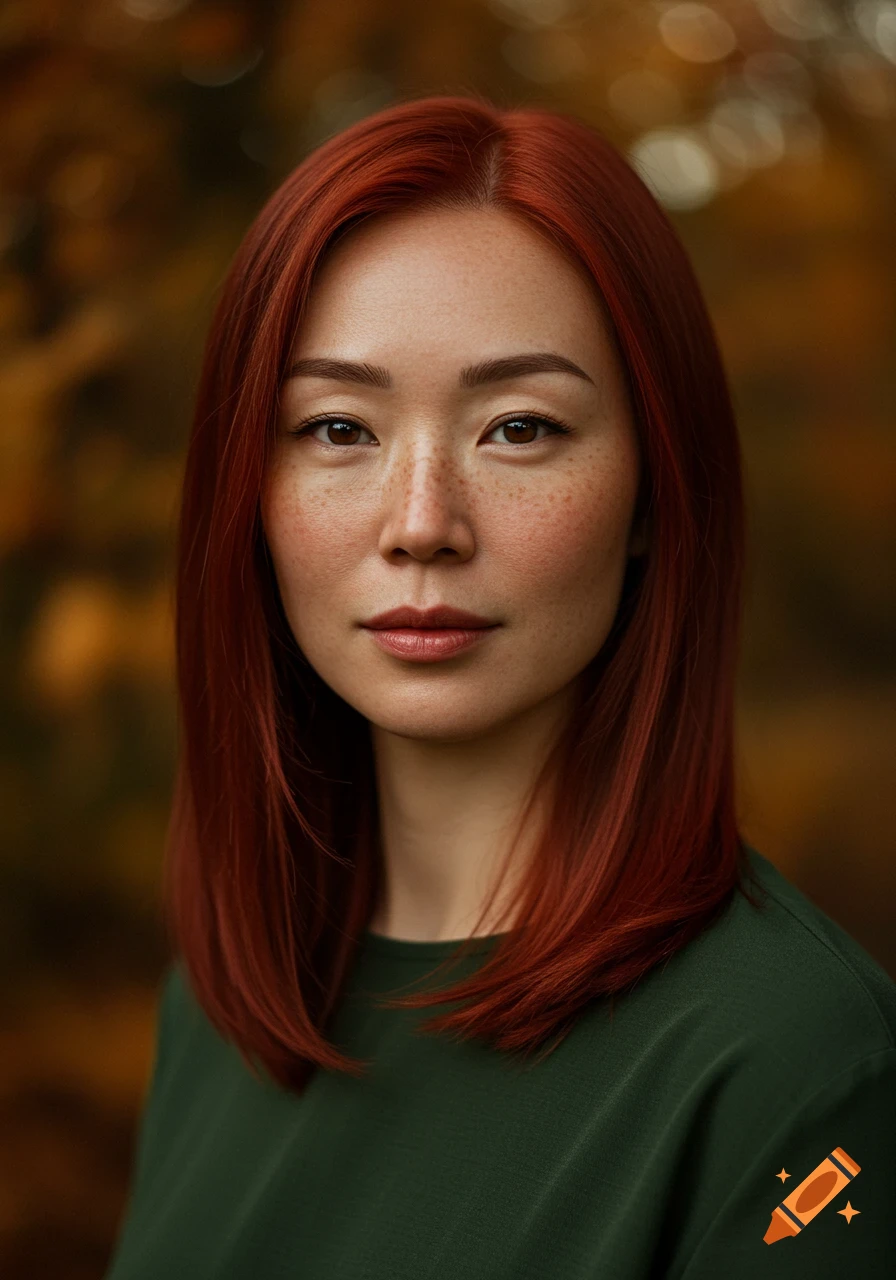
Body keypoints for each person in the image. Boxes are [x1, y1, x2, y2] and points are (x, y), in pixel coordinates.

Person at [102, 94, 896, 1279]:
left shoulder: (792, 1061)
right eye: (336, 429)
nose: (420, 524)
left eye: (518, 426)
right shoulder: (219, 1010)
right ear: (247, 496)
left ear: (652, 492)